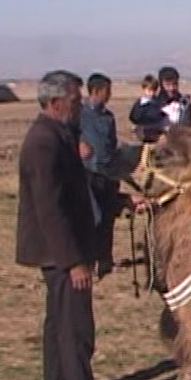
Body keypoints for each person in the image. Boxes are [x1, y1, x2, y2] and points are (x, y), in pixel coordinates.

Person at [15, 70, 128, 380]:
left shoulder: (61, 134)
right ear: (53, 103)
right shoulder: (42, 143)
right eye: (75, 101)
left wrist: (119, 202)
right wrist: (73, 262)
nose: (80, 106)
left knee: (58, 320)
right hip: (60, 252)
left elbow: (80, 192)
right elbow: (51, 210)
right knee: (75, 326)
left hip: (63, 249)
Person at [78, 73, 125, 280]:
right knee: (91, 218)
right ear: (96, 91)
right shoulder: (79, 116)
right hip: (87, 174)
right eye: (108, 90)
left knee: (107, 218)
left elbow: (111, 144)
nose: (110, 94)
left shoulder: (108, 118)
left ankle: (105, 261)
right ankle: (88, 259)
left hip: (108, 174)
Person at [129, 74, 169, 143]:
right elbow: (133, 117)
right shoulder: (139, 104)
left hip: (155, 136)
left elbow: (163, 118)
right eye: (149, 90)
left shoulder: (158, 103)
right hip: (140, 135)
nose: (151, 93)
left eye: (154, 90)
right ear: (144, 89)